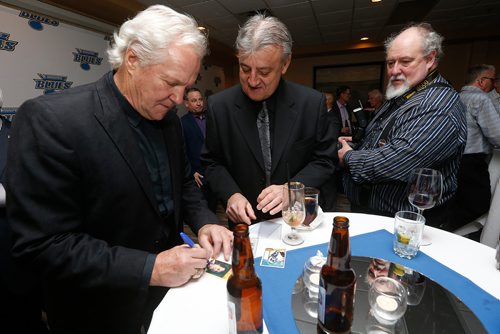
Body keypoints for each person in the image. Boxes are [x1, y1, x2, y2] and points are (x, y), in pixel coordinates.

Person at [6, 5, 232, 334]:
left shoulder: (167, 117)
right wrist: (150, 268)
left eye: (187, 86)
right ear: (133, 58)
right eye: (171, 82)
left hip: (169, 295)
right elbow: (42, 245)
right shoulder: (52, 121)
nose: (179, 98)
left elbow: (182, 183)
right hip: (97, 310)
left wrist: (205, 221)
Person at [201, 14, 338, 225]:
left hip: (297, 220)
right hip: (246, 223)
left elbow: (325, 160)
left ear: (285, 64)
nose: (253, 81)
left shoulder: (311, 103)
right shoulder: (219, 106)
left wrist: (291, 189)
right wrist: (231, 194)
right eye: (245, 69)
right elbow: (212, 162)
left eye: (264, 72)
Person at [338, 22, 467, 228]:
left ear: (430, 59)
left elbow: (396, 162)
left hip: (406, 224)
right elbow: (385, 138)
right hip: (377, 215)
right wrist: (357, 143)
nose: (395, 71)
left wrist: (349, 157)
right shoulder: (403, 94)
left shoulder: (438, 105)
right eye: (390, 63)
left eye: (405, 61)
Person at [445, 64, 500, 231]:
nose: (494, 83)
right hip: (472, 160)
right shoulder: (481, 99)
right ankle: (446, 231)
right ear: (482, 81)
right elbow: (496, 134)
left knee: (457, 201)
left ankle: (449, 232)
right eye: (492, 79)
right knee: (479, 205)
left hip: (452, 159)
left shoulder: (454, 97)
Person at [180, 87, 217, 211]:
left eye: (200, 99)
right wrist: (191, 171)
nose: (199, 103)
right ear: (186, 104)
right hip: (199, 174)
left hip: (216, 169)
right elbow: (181, 150)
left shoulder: (212, 117)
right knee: (203, 208)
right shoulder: (182, 123)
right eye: (194, 100)